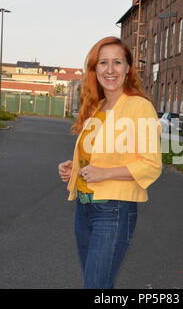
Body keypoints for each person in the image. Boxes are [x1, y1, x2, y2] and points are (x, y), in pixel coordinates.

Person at [58, 36, 162, 289]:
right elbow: (98, 154)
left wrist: (104, 174)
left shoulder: (139, 107)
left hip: (114, 211)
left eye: (117, 62)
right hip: (84, 209)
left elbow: (151, 165)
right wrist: (75, 168)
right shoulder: (98, 106)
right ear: (95, 69)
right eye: (103, 63)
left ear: (128, 68)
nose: (110, 69)